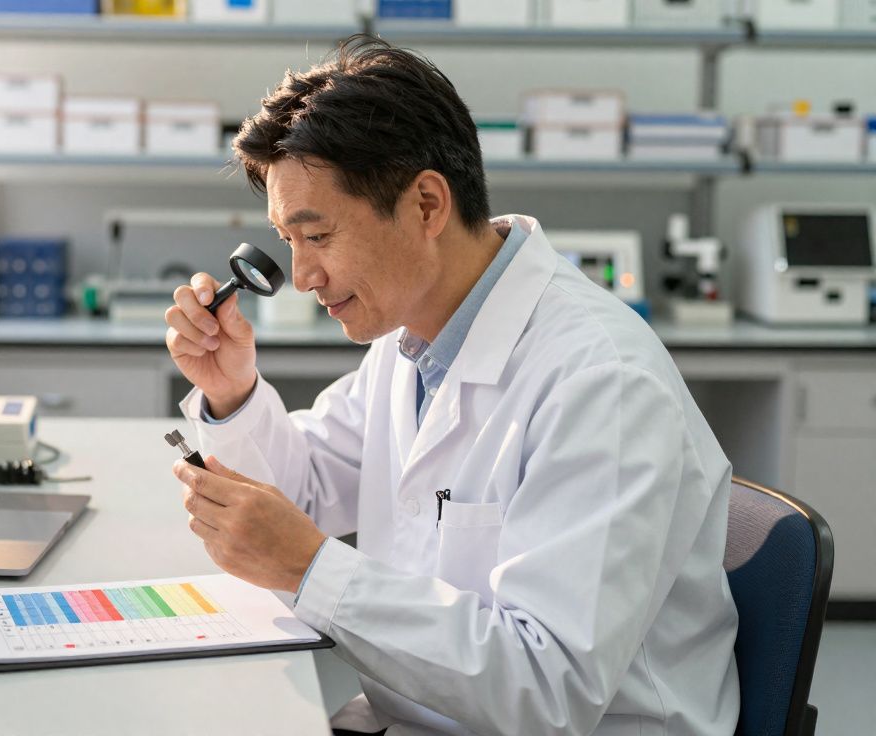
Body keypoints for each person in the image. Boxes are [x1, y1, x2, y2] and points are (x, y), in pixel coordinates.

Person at [163, 36, 740, 736]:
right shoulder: (414, 339)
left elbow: (548, 688)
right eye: (287, 240)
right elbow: (303, 488)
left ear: (427, 205)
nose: (304, 276)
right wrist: (233, 390)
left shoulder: (600, 381)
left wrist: (314, 569)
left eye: (317, 236)